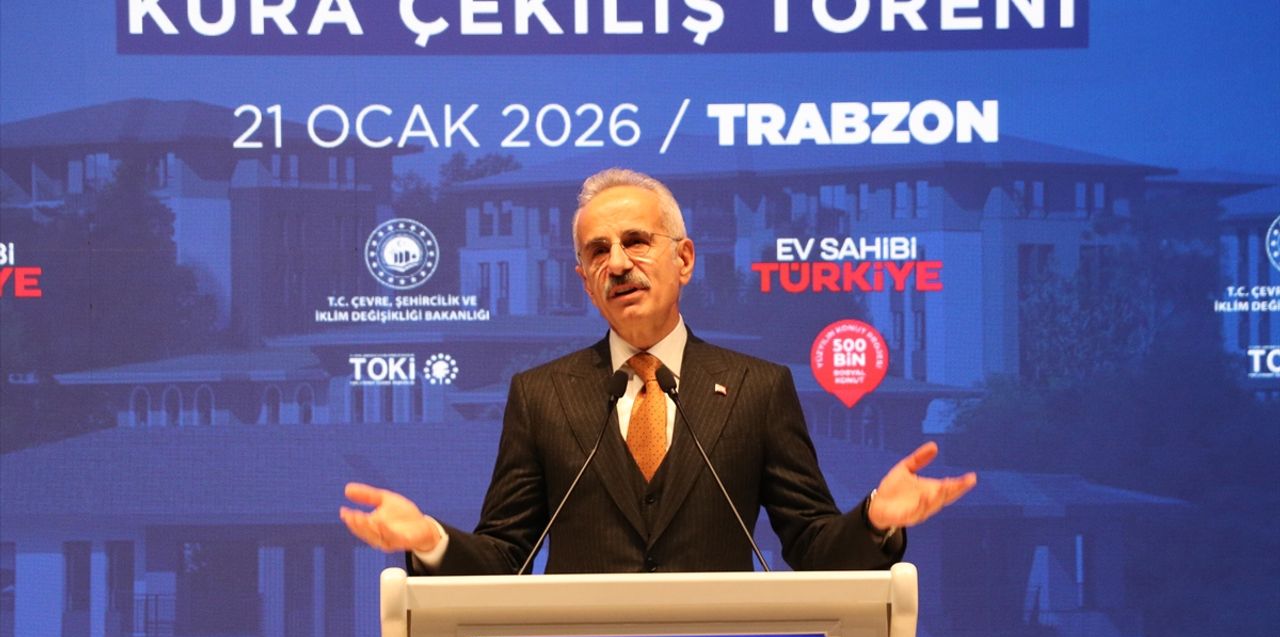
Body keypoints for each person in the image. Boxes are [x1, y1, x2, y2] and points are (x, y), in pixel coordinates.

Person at [340, 168, 976, 573]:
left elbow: (810, 546)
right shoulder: (541, 396)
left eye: (636, 241)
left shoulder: (757, 389)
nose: (618, 264)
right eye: (597, 251)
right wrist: (430, 539)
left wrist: (875, 518)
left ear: (685, 259)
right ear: (585, 281)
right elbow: (507, 555)